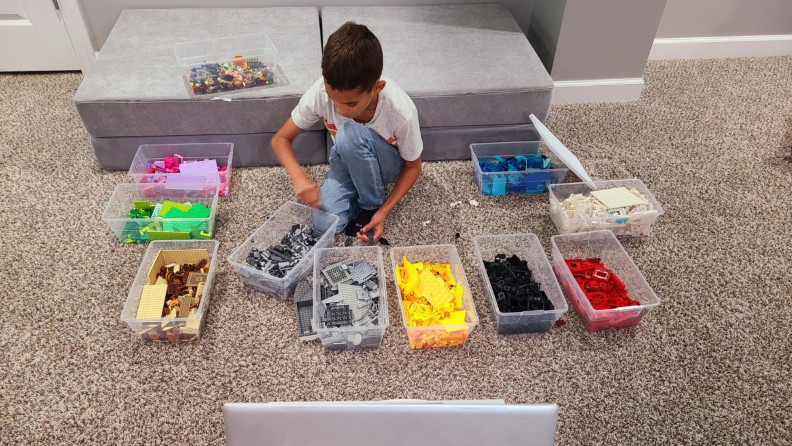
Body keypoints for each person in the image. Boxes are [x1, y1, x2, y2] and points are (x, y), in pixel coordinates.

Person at [271, 22, 423, 243]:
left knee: (348, 133)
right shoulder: (320, 92)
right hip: (345, 158)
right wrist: (300, 179)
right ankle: (359, 196)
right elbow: (280, 140)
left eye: (351, 104)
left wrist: (384, 210)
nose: (341, 110)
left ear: (377, 88)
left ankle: (372, 204)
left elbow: (413, 167)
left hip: (386, 164)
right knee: (325, 225)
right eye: (334, 100)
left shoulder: (400, 111)